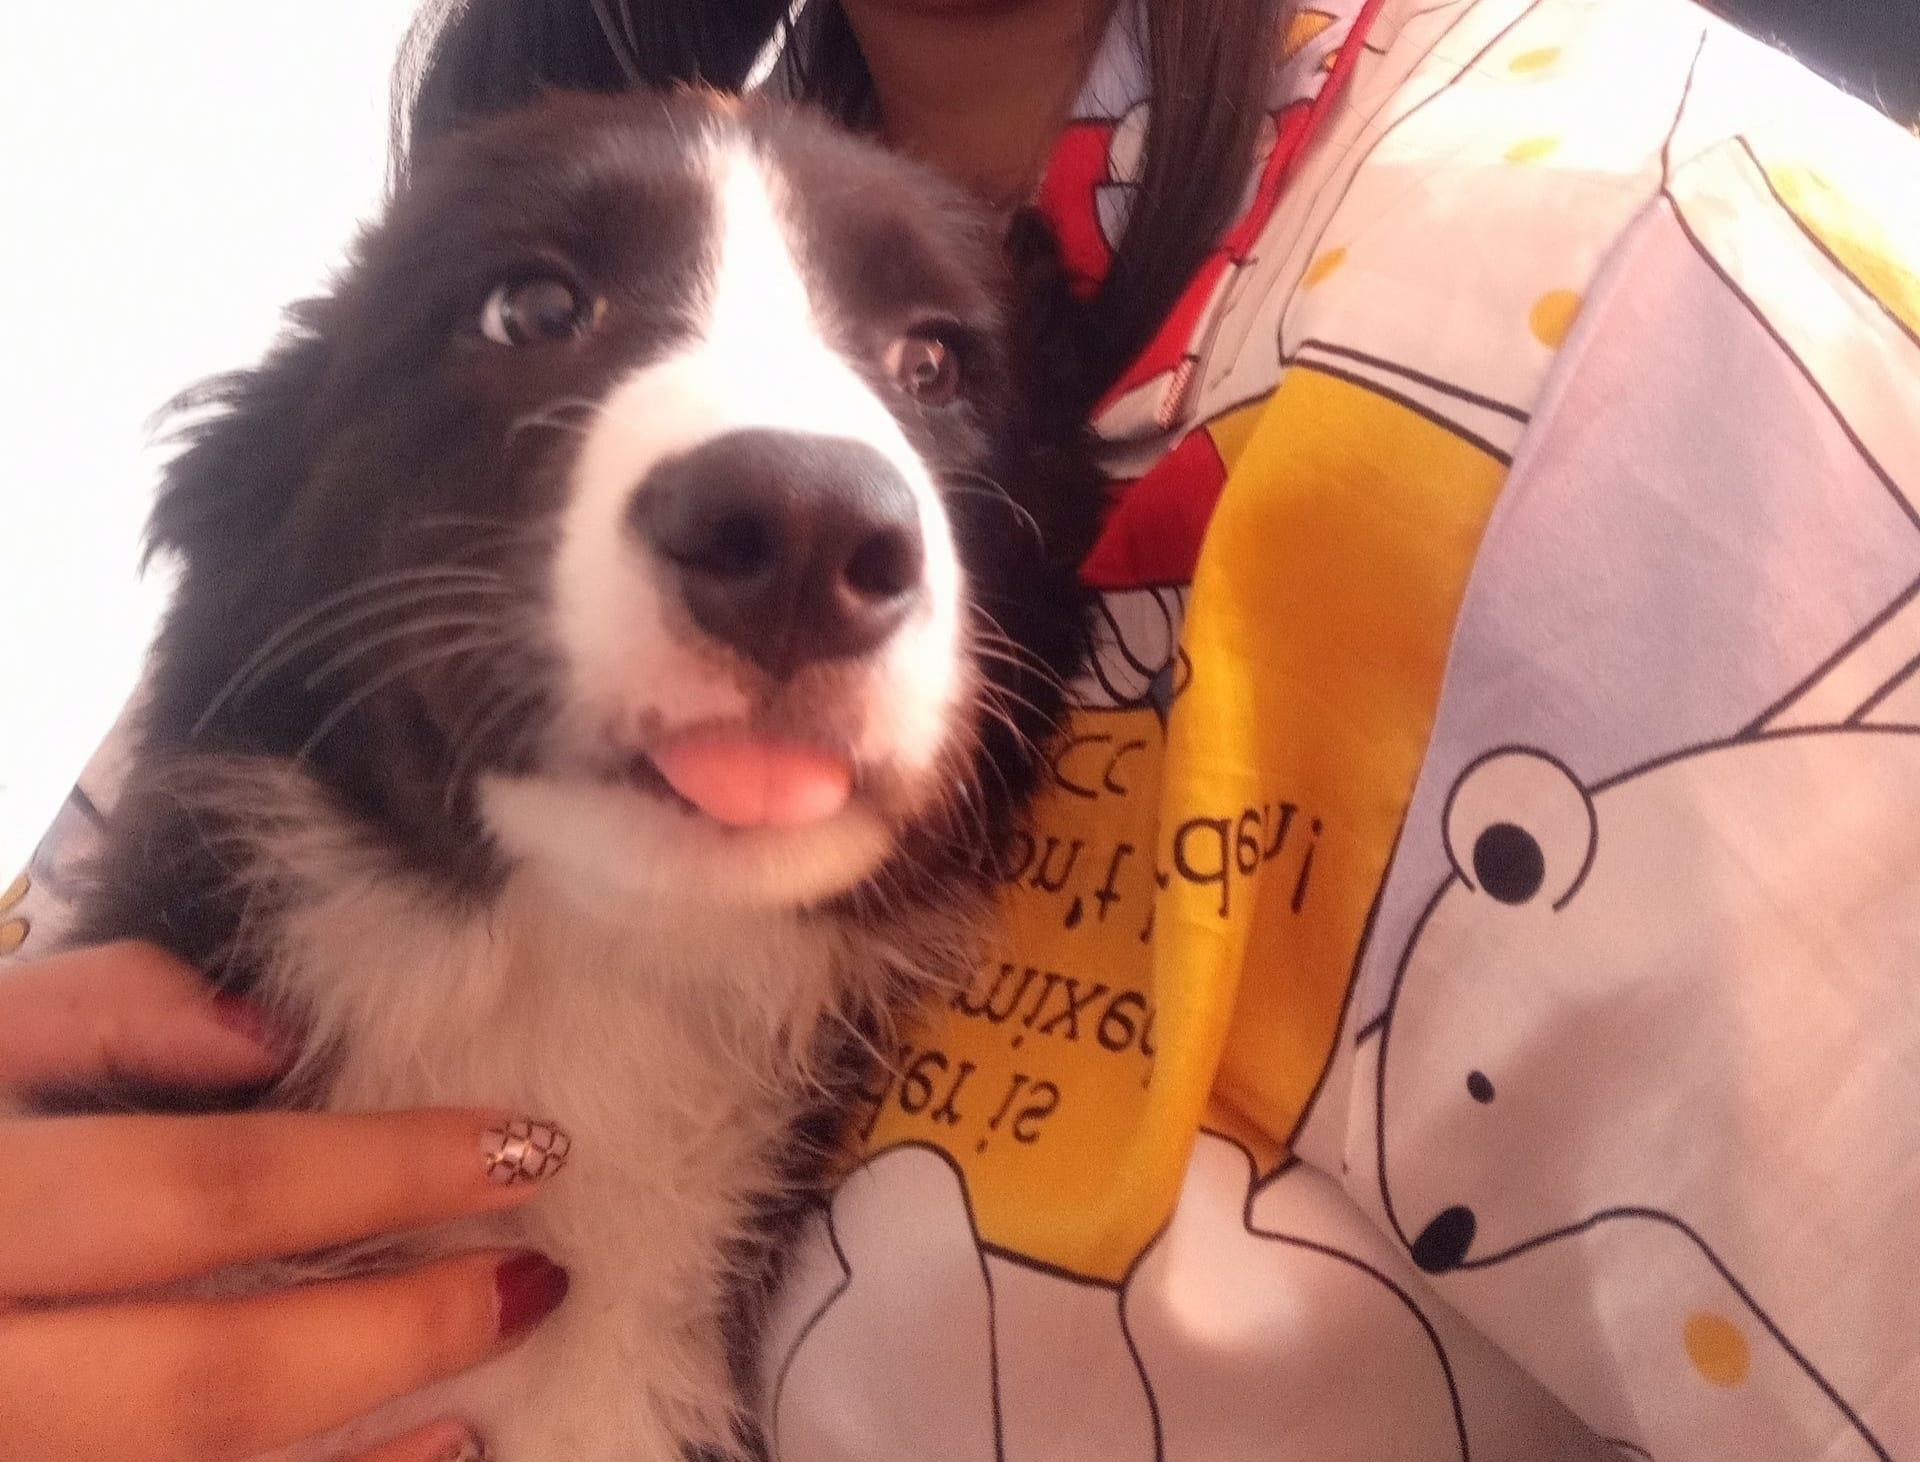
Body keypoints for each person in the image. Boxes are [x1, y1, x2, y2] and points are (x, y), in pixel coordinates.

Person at [6, 0, 1919, 1458]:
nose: (803, 503)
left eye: (929, 367)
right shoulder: (305, 601)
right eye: (533, 307)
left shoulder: (1694, 259)